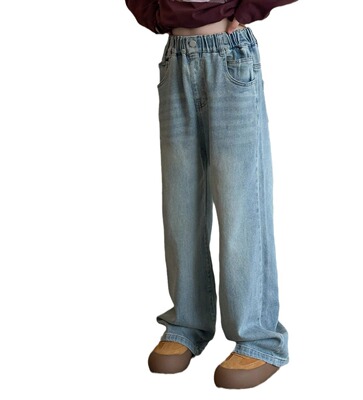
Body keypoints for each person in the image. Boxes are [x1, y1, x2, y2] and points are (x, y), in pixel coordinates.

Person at [125, 0, 297, 390]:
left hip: (229, 54)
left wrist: (249, 10)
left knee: (240, 201)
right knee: (180, 204)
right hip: (176, 57)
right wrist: (156, 16)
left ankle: (258, 337)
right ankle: (187, 324)